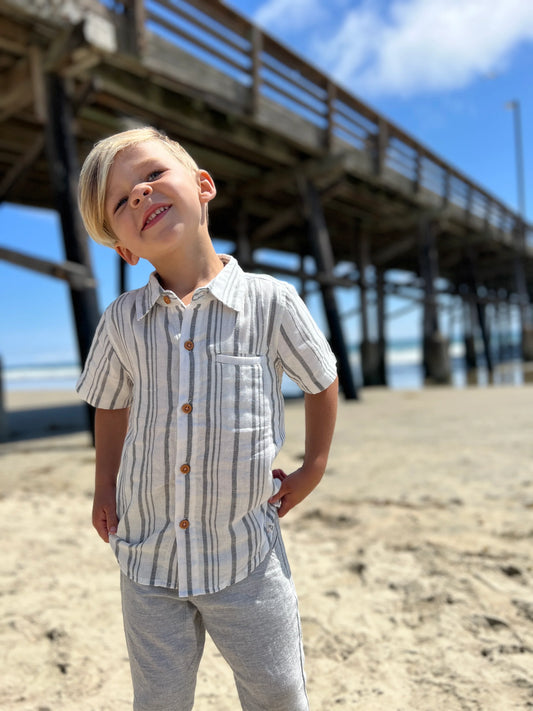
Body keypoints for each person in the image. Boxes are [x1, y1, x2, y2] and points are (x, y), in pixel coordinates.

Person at [76, 126, 338, 711]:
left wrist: (313, 466)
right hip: (148, 554)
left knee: (276, 690)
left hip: (245, 553)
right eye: (120, 202)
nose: (139, 194)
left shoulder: (270, 302)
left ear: (203, 185)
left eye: (151, 175)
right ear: (124, 249)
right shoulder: (122, 321)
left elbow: (321, 379)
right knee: (160, 698)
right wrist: (103, 487)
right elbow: (111, 404)